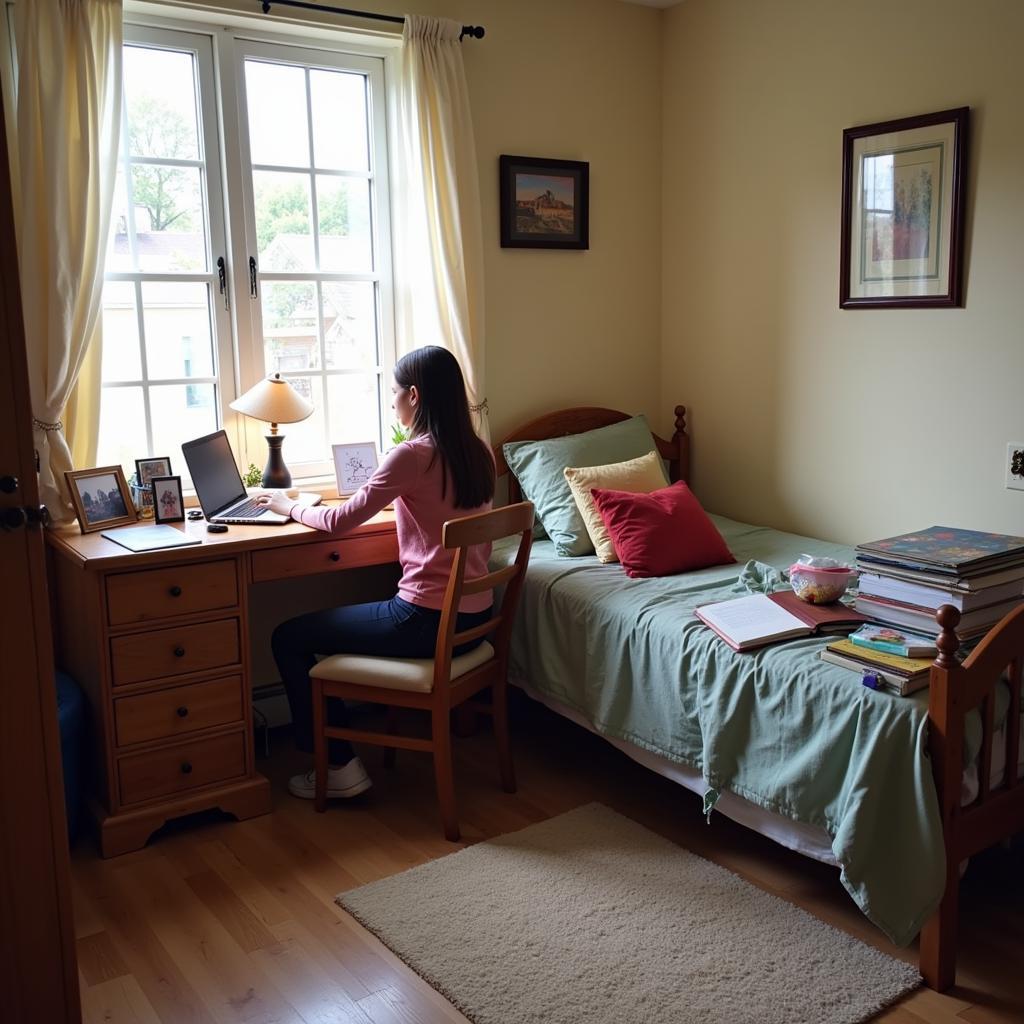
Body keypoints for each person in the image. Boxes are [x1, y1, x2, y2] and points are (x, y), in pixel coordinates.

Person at [256, 346, 495, 800]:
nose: (391, 402)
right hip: (476, 618)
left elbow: (340, 521)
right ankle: (339, 755)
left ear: (415, 395)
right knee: (311, 632)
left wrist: (289, 505)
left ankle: (340, 766)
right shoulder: (478, 450)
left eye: (394, 393)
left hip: (425, 619)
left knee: (288, 637)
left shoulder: (412, 455)